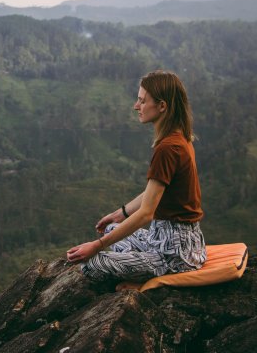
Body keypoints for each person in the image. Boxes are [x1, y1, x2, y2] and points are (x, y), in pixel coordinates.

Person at [66, 70, 206, 283]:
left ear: (162, 106)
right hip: (173, 241)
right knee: (112, 229)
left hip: (173, 255)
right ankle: (135, 264)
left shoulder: (168, 148)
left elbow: (146, 214)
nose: (136, 106)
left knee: (92, 264)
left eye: (142, 101)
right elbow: (154, 193)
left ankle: (140, 270)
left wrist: (97, 246)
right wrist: (120, 213)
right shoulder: (179, 139)